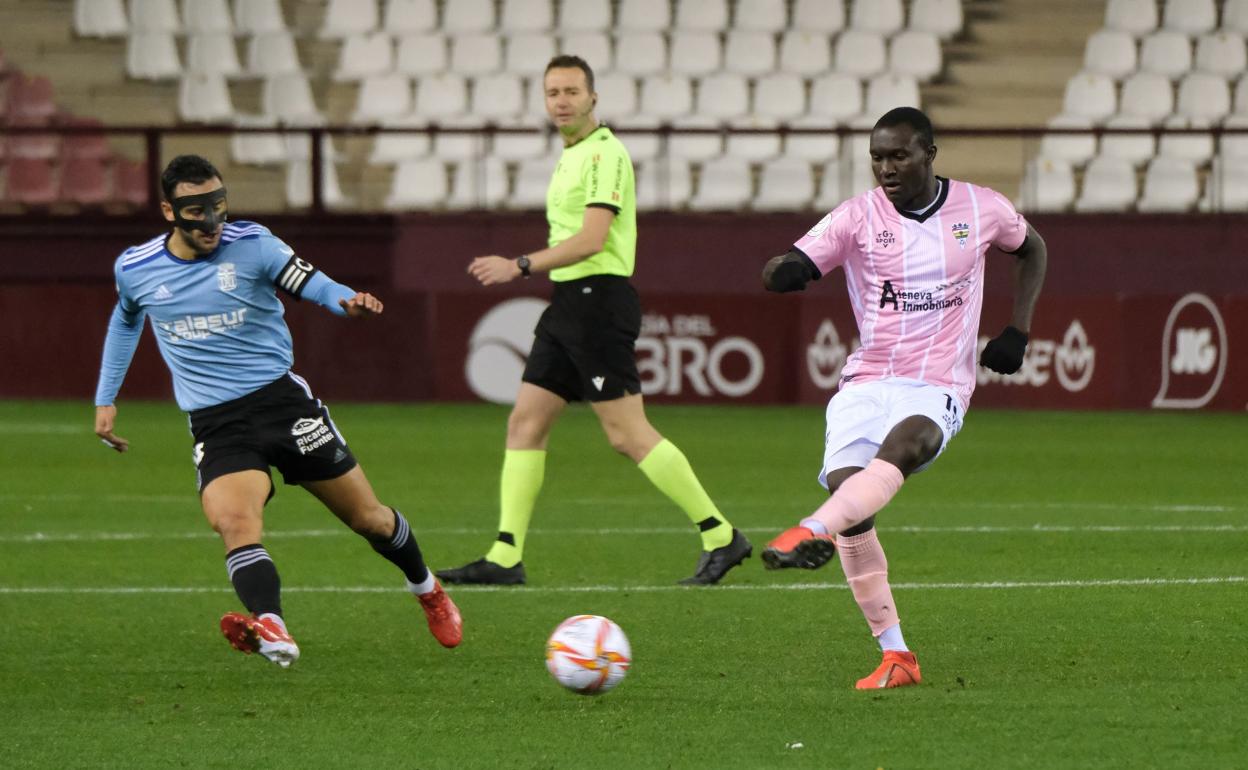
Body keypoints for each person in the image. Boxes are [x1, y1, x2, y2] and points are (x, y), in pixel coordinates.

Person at [93, 155, 462, 667]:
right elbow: (126, 320)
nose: (211, 222)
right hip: (218, 423)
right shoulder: (136, 268)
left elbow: (313, 283)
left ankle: (427, 590)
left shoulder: (254, 245)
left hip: (283, 405)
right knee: (233, 522)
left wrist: (345, 302)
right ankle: (273, 627)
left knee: (369, 520)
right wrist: (106, 396)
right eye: (196, 211)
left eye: (218, 207)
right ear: (168, 210)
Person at [758, 107, 1047, 689]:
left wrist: (1018, 328)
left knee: (908, 446)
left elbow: (1033, 248)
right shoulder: (857, 217)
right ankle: (897, 656)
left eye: (899, 156)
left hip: (938, 382)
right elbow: (789, 260)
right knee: (852, 497)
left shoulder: (980, 208)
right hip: (867, 381)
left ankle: (811, 529)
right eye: (877, 158)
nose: (886, 168)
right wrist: (784, 271)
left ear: (929, 154)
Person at [436, 55, 751, 587]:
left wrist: (519, 265)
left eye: (571, 92)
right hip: (568, 304)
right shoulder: (574, 154)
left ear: (593, 98)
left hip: (598, 302)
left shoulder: (606, 154)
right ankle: (505, 555)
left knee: (627, 435)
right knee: (525, 423)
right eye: (552, 92)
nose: (561, 101)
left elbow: (592, 240)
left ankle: (720, 534)